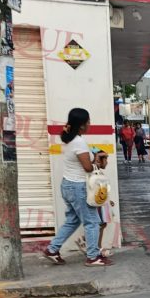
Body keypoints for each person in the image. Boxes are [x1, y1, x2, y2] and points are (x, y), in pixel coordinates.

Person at [43, 108, 113, 266]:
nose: (90, 124)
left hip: (68, 185)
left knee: (72, 221)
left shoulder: (69, 139)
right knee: (92, 222)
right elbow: (88, 168)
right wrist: (96, 157)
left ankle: (52, 249)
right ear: (81, 125)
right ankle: (93, 257)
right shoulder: (79, 142)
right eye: (88, 122)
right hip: (78, 187)